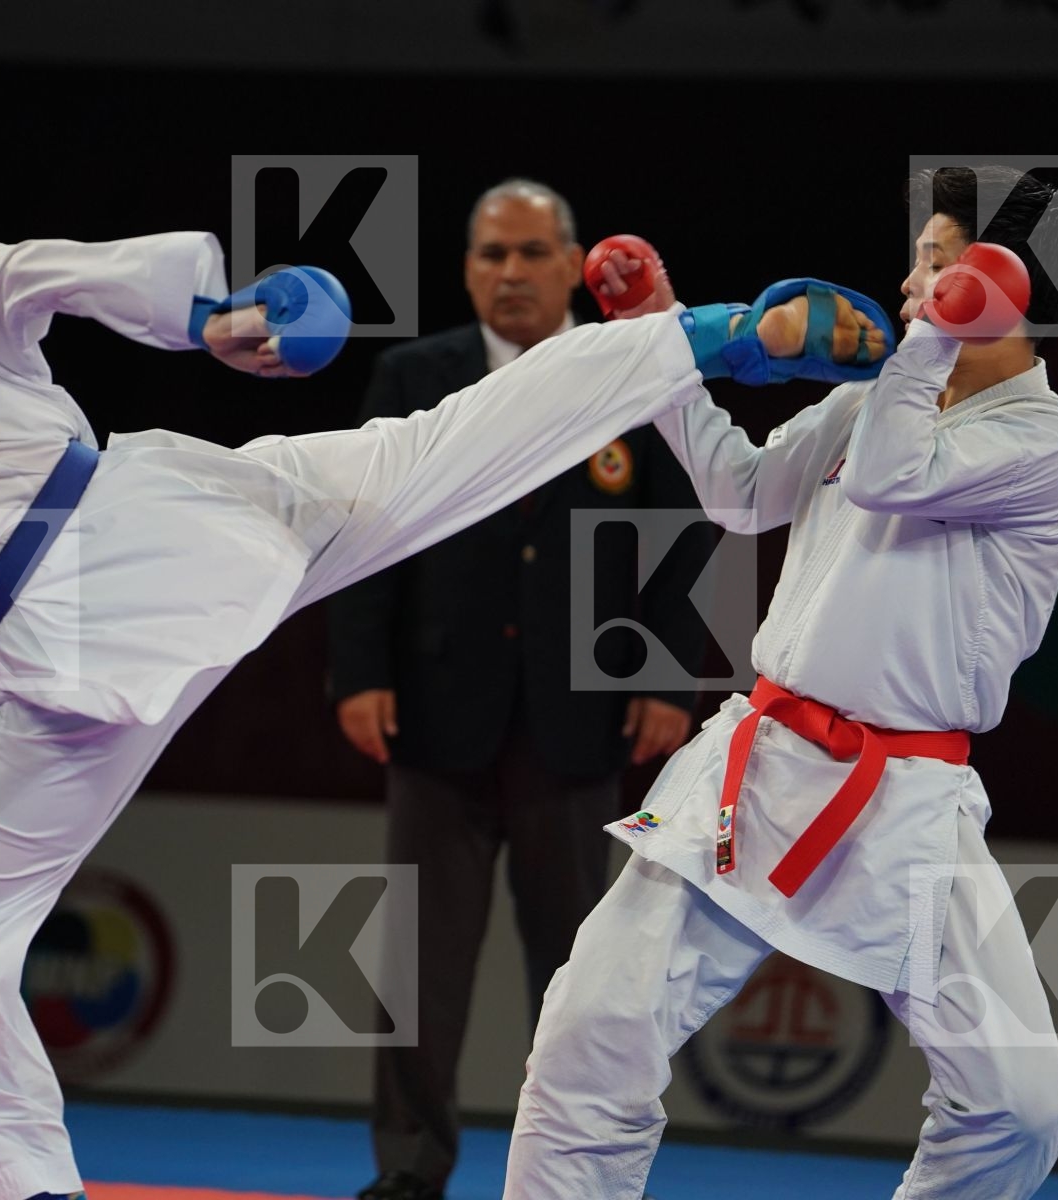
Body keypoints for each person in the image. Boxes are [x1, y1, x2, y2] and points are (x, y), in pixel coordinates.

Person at [0, 161, 887, 1200]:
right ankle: (712, 334)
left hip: (57, 662)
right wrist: (213, 317)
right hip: (168, 531)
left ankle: (18, 1186)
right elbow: (55, 273)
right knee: (431, 452)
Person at [504, 164, 1058, 1199]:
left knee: (1019, 1105)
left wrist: (924, 347)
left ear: (1010, 292)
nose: (916, 287)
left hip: (905, 797)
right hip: (757, 768)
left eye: (944, 266)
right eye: (920, 264)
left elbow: (889, 476)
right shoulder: (877, 396)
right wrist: (661, 331)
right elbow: (740, 493)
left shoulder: (1046, 440)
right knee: (589, 1032)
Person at [329, 180, 705, 1200]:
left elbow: (688, 532)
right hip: (435, 710)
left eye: (534, 253)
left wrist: (667, 673)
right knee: (416, 975)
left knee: (583, 979)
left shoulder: (634, 371)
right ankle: (409, 1171)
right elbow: (358, 532)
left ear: (574, 263)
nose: (512, 273)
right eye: (493, 254)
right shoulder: (416, 375)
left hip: (582, 722)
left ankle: (574, 1177)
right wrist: (358, 670)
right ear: (467, 268)